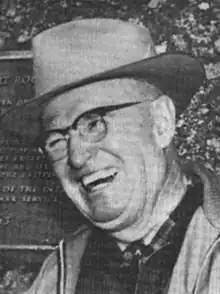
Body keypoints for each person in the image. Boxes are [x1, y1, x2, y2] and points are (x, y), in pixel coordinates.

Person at [1, 18, 220, 294]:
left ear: (161, 122)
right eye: (56, 140)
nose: (77, 158)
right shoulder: (59, 272)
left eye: (94, 124)